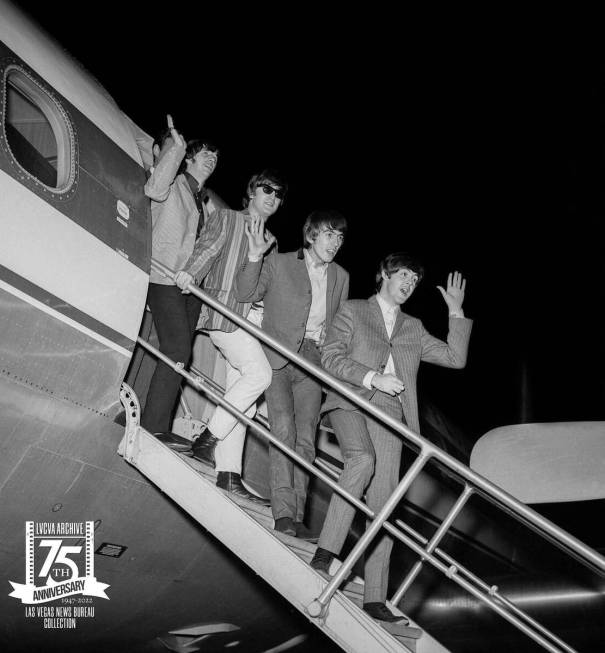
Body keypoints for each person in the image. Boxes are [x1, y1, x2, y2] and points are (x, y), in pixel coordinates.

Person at [310, 253, 472, 624]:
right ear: (383, 274)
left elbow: (454, 358)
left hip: (391, 414)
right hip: (351, 400)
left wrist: (457, 313)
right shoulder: (352, 310)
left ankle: (375, 597)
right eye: (403, 276)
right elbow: (330, 357)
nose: (408, 284)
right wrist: (372, 377)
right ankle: (325, 552)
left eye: (414, 281)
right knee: (361, 460)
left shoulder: (413, 327)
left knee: (385, 502)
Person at [175, 170, 288, 505]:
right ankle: (207, 439)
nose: (272, 196)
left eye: (278, 194)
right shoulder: (228, 218)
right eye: (266, 189)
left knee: (245, 401)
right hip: (223, 311)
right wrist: (190, 274)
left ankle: (228, 473)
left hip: (250, 320)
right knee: (260, 375)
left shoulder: (271, 241)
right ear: (251, 191)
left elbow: (264, 285)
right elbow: (208, 248)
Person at [235, 210, 349, 538]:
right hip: (278, 356)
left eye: (340, 238)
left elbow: (338, 324)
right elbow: (246, 293)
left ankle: (297, 516)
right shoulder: (280, 263)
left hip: (313, 363)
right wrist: (255, 254)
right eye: (329, 234)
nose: (336, 243)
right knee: (283, 429)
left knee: (306, 439)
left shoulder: (341, 276)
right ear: (311, 235)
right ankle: (283, 512)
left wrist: (333, 338)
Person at [140, 115, 219, 452]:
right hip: (164, 275)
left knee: (180, 357)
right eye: (205, 153)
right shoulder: (173, 182)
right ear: (189, 158)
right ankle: (152, 426)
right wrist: (177, 147)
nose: (212, 159)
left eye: (216, 157)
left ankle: (158, 422)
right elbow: (153, 189)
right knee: (176, 349)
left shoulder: (203, 200)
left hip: (189, 287)